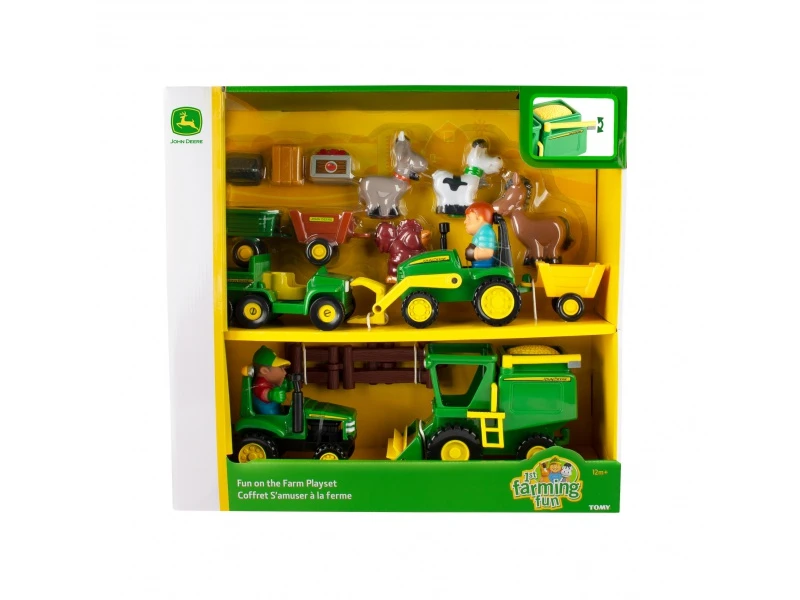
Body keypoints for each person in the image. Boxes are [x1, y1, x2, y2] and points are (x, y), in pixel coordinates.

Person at [251, 346, 293, 415]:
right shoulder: (259, 384)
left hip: (275, 412)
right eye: (281, 368)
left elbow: (277, 387)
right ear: (264, 370)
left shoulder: (270, 381)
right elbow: (263, 392)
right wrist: (271, 395)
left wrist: (286, 386)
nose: (285, 372)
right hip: (268, 416)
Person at [463, 202, 497, 267]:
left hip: (485, 267)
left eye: (469, 218)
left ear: (480, 219)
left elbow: (488, 253)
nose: (465, 222)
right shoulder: (482, 231)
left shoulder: (485, 231)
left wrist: (472, 253)